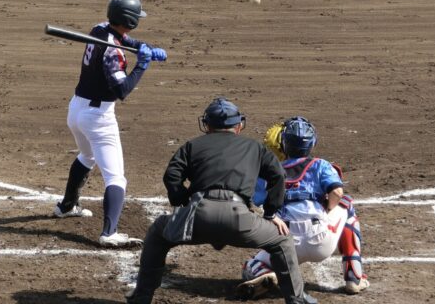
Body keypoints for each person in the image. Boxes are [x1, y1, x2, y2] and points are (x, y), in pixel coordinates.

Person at [126, 98, 316, 304]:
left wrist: (182, 201)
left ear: (207, 125)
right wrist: (270, 213)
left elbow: (172, 175)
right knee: (282, 240)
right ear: (239, 125)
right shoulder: (254, 147)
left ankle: (142, 297)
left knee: (157, 233)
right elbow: (278, 175)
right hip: (240, 219)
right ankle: (296, 299)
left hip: (198, 217)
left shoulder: (192, 145)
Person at [52, 0, 167, 247]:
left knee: (87, 156)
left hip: (76, 109)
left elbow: (125, 40)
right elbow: (122, 90)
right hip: (98, 118)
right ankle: (109, 233)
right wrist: (142, 65)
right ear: (130, 20)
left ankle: (66, 206)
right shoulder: (113, 53)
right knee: (116, 178)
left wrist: (144, 47)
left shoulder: (100, 28)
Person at [240, 117, 368, 298]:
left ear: (284, 144)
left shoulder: (270, 171)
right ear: (312, 143)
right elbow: (337, 192)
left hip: (286, 244)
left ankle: (272, 274)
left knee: (250, 266)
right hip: (321, 242)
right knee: (346, 204)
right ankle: (354, 277)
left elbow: (253, 201)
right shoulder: (321, 165)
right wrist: (328, 209)